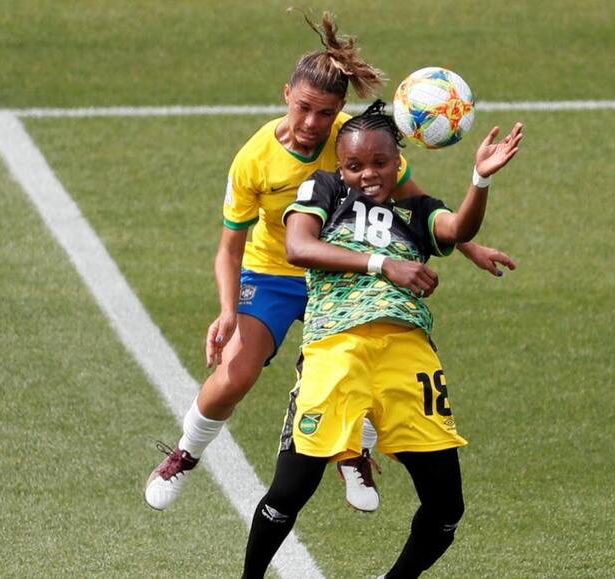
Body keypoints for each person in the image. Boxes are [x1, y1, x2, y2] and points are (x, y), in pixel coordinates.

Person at [144, 11, 515, 514]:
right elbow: (229, 248)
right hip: (277, 272)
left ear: (341, 109)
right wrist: (229, 311)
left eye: (326, 112)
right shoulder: (254, 159)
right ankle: (186, 453)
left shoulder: (353, 141)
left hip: (347, 273)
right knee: (236, 374)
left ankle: (353, 453)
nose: (313, 124)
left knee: (364, 357)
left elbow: (416, 201)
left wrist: (470, 247)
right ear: (285, 96)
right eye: (304, 108)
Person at [241, 100, 524, 577]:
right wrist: (382, 264)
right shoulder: (325, 188)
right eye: (353, 164)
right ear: (340, 166)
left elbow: (457, 229)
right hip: (335, 350)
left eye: (378, 163)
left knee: (446, 508)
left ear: (399, 163)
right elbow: (299, 246)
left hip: (408, 358)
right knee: (289, 492)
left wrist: (480, 180)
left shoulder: (417, 211)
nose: (366, 174)